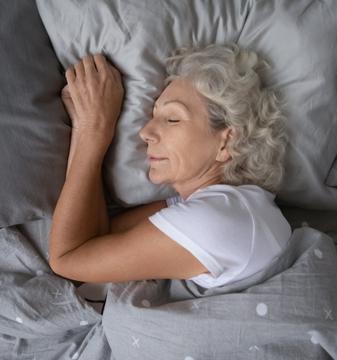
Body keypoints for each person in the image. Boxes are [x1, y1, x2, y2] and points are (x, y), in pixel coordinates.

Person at [49, 43, 291, 289]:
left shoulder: (213, 220)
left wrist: (94, 131)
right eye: (153, 116)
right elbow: (97, 242)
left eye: (172, 119)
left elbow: (68, 260)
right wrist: (83, 127)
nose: (145, 132)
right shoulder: (226, 206)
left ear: (226, 141)